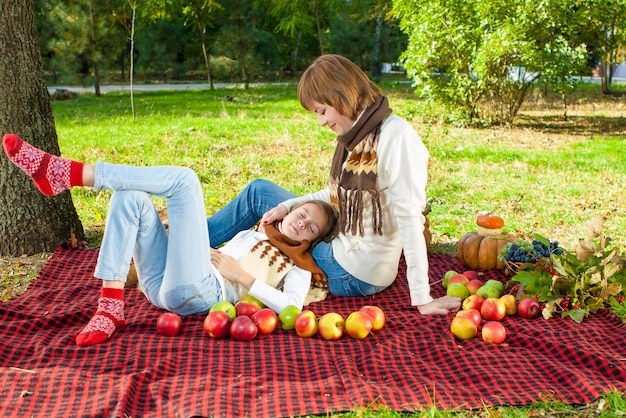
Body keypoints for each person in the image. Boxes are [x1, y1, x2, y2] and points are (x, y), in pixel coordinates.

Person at [2, 134, 337, 347]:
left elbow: (292, 308)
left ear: (312, 241)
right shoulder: (255, 231)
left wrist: (242, 276)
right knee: (129, 197)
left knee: (185, 180)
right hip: (165, 284)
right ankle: (109, 307)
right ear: (291, 209)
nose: (302, 224)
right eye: (303, 213)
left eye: (311, 229)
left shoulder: (299, 267)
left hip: (204, 294)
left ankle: (70, 174)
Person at [206, 54, 461, 316]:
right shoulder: (357, 132)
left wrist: (422, 297)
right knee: (262, 194)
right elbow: (335, 194)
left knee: (258, 197)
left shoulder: (396, 138)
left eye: (322, 111)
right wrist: (287, 206)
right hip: (345, 244)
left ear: (342, 95)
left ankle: (191, 243)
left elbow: (410, 219)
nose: (321, 121)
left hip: (353, 271)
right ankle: (191, 240)